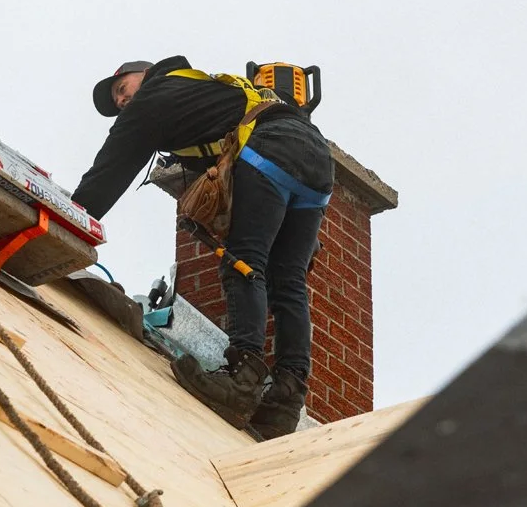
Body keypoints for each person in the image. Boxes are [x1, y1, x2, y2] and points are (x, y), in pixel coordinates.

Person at [73, 57, 333, 436]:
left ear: (145, 74)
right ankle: (285, 401)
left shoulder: (157, 94)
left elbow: (111, 167)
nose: (122, 101)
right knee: (288, 280)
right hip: (317, 162)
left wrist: (71, 217)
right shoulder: (203, 94)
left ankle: (242, 379)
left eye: (121, 89)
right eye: (117, 101)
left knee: (244, 260)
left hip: (271, 148)